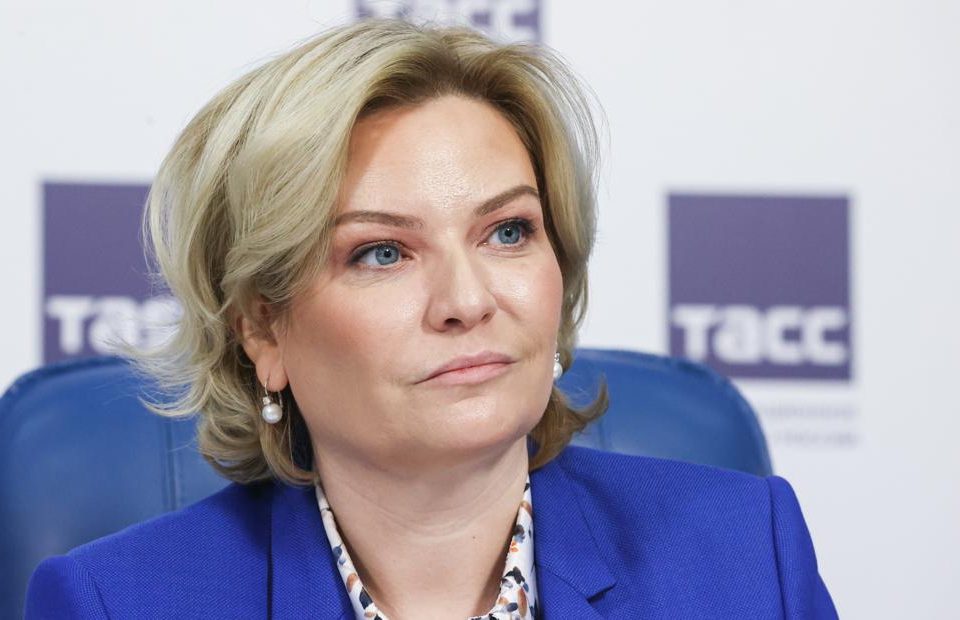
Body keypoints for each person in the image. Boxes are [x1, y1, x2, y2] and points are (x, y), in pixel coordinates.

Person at [24, 17, 838, 619]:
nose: (467, 301)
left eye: (508, 232)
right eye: (382, 252)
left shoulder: (745, 557)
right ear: (263, 330)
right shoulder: (114, 603)